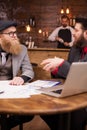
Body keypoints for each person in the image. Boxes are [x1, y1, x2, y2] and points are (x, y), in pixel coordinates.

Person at [40, 18, 87, 130]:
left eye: (76, 30)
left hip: (84, 97)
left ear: (86, 33)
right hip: (73, 92)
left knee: (75, 114)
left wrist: (61, 63)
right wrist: (56, 69)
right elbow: (69, 74)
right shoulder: (75, 49)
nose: (73, 33)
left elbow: (82, 76)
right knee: (44, 106)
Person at [0, 19, 34, 130]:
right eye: (10, 33)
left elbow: (29, 70)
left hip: (11, 90)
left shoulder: (22, 49)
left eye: (15, 33)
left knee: (29, 113)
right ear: (0, 36)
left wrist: (22, 78)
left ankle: (4, 125)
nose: (15, 36)